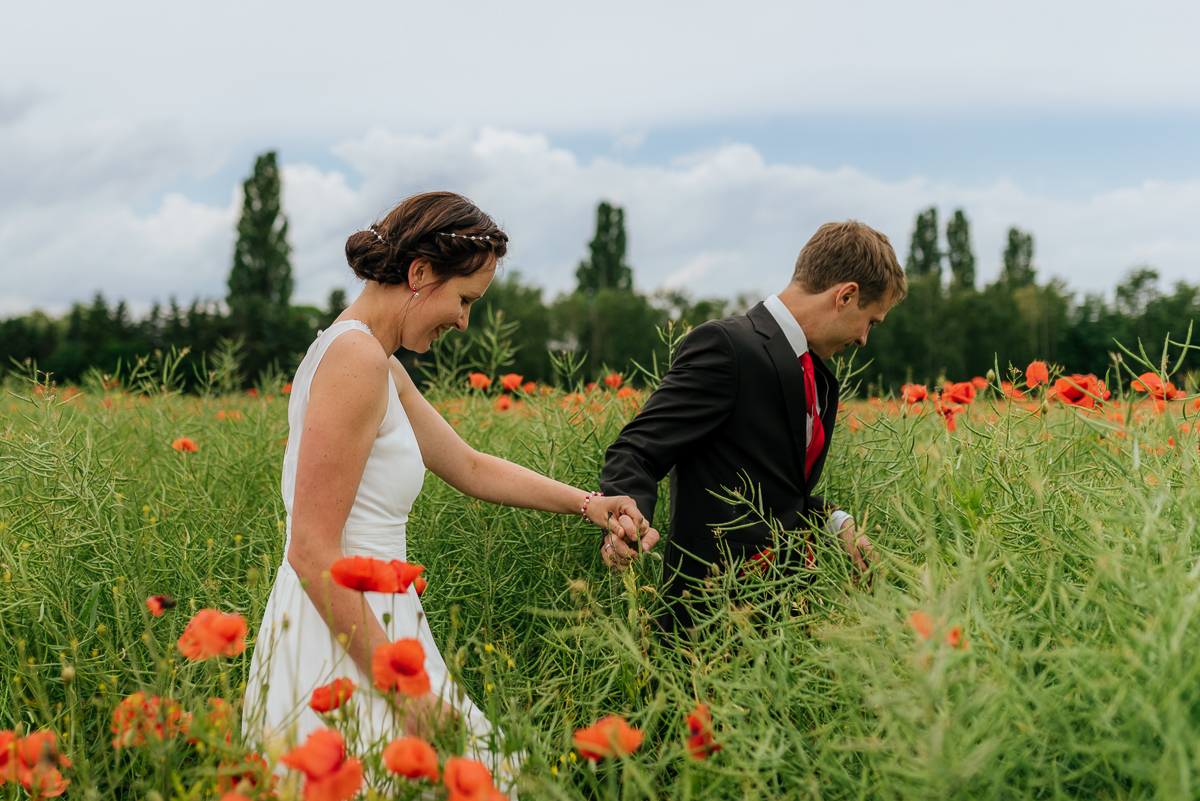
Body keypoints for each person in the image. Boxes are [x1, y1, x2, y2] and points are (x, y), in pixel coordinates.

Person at [243, 192, 654, 776]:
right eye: (464, 299)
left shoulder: (374, 360)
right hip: (346, 629)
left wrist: (590, 503)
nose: (464, 321)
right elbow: (311, 551)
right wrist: (408, 695)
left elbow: (469, 465)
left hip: (376, 615)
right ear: (419, 274)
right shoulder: (356, 357)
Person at [597, 221, 906, 630]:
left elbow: (776, 488)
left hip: (780, 620)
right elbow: (637, 449)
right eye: (872, 321)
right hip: (708, 617)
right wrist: (625, 518)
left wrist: (837, 522)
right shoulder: (728, 347)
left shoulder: (817, 375)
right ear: (845, 296)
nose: (865, 338)